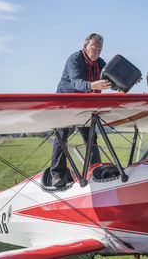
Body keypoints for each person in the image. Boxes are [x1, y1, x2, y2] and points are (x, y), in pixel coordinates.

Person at [51, 33, 111, 186]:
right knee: (62, 136)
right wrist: (93, 85)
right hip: (66, 102)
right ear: (85, 46)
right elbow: (77, 83)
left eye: (99, 49)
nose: (96, 52)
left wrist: (129, 78)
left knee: (91, 136)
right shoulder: (75, 59)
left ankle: (95, 169)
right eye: (94, 48)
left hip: (85, 104)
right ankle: (57, 174)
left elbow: (112, 77)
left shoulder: (100, 63)